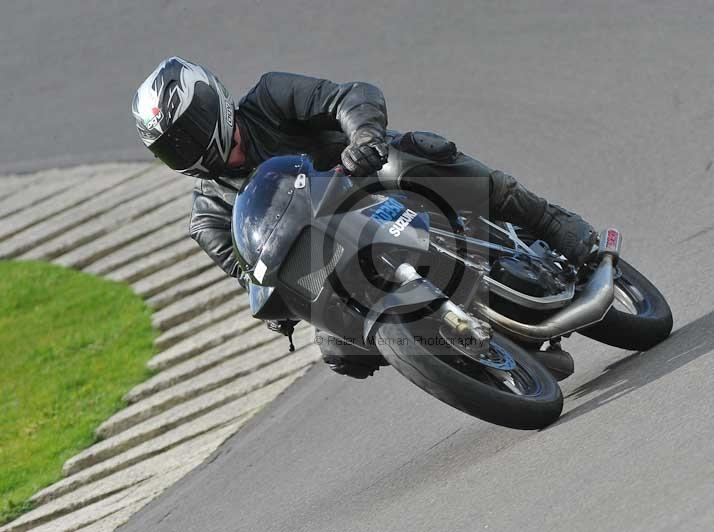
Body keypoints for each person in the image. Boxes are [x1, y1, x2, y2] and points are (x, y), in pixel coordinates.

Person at [132, 56, 596, 379]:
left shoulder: (271, 97)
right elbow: (248, 274)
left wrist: (364, 137)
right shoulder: (208, 216)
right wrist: (276, 307)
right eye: (172, 146)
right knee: (336, 350)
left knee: (422, 158)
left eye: (188, 130)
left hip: (373, 181)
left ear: (212, 102)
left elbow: (348, 96)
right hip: (330, 259)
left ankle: (556, 225)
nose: (187, 147)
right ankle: (472, 363)